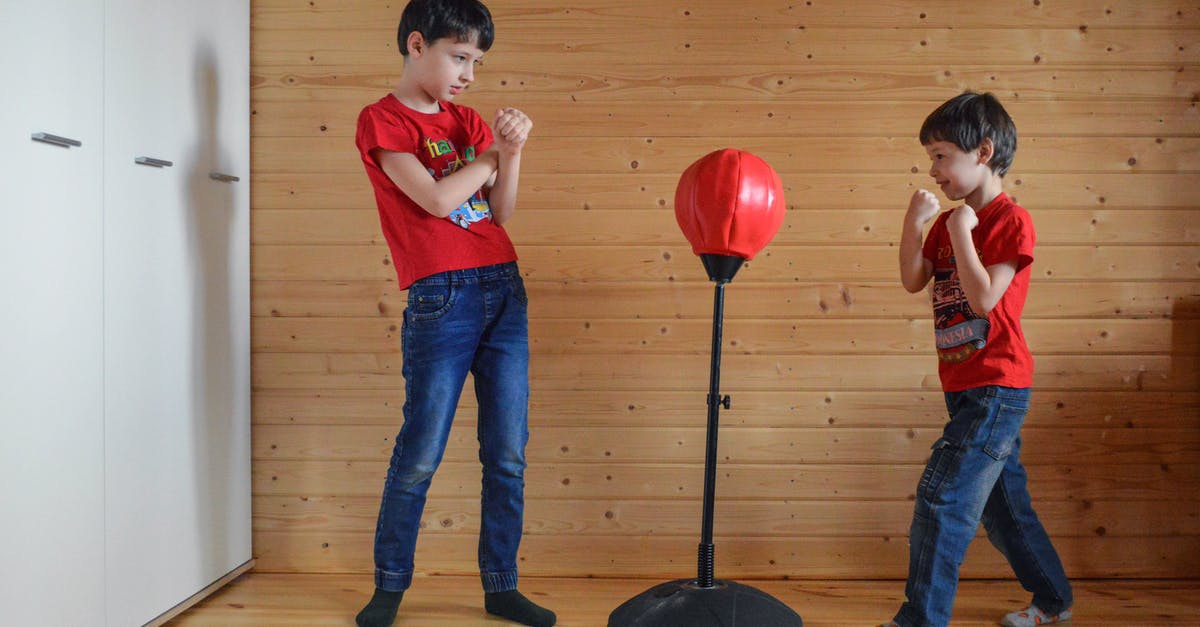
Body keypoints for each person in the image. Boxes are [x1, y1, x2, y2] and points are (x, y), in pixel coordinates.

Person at [351, 1, 554, 625]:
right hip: (442, 296)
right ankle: (389, 587)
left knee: (507, 451)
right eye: (459, 57)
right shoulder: (382, 121)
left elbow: (500, 214)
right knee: (421, 449)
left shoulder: (466, 121)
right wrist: (493, 153)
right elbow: (438, 200)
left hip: (502, 287)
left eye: (477, 62)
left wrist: (510, 153)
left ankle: (501, 585)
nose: (468, 73)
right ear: (417, 44)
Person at [884, 91, 1074, 627]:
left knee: (941, 497)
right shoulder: (947, 224)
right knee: (1004, 508)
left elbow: (985, 298)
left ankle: (919, 622)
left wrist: (963, 233)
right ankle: (1054, 602)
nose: (934, 169)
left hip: (998, 386)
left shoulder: (1011, 221)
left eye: (942, 155)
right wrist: (915, 224)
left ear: (983, 151)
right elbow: (912, 279)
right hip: (963, 384)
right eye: (931, 158)